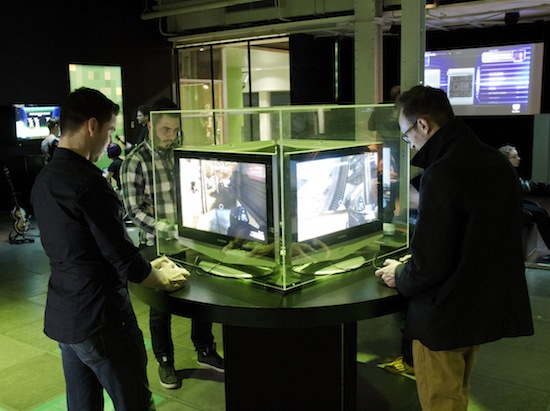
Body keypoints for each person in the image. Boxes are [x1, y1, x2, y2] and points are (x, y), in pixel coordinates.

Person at [375, 85, 534, 411]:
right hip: (479, 311)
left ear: (422, 125)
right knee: (457, 396)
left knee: (441, 403)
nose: (410, 143)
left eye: (407, 135)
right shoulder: (494, 161)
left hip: (444, 317)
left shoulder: (442, 172)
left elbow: (429, 267)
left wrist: (401, 272)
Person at [30, 88, 188, 411]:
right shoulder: (89, 185)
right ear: (91, 126)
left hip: (65, 316)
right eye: (109, 130)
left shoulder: (44, 179)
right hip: (102, 319)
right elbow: (124, 259)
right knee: (134, 403)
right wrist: (159, 278)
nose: (109, 140)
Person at [121, 97, 224, 390]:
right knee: (161, 304)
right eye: (166, 129)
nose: (170, 136)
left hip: (190, 237)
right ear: (151, 126)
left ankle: (205, 349)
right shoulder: (135, 161)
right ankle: (165, 361)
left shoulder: (181, 153)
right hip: (157, 241)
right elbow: (134, 210)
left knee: (203, 295)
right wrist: (167, 228)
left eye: (175, 130)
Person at [498, 144, 550, 259]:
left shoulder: (509, 171)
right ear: (506, 159)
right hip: (508, 208)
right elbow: (519, 187)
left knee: (542, 211)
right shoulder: (502, 173)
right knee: (540, 214)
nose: (519, 159)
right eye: (514, 157)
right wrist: (532, 185)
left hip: (515, 203)